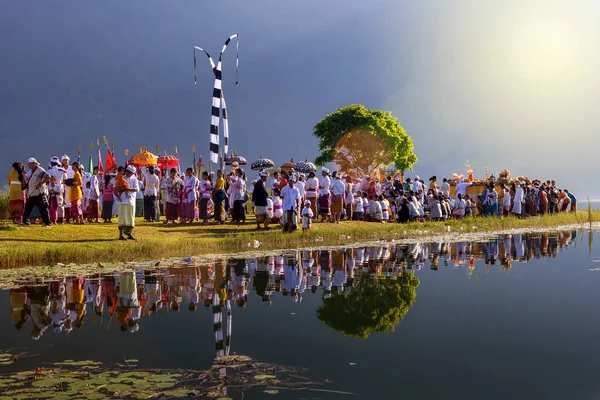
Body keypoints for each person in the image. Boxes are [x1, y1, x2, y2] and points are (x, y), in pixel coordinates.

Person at [21, 158, 52, 227]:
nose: (29, 165)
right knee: (27, 208)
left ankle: (48, 223)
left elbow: (48, 176)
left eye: (30, 163)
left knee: (43, 209)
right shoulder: (33, 171)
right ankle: (25, 222)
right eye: (28, 164)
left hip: (39, 194)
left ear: (34, 163)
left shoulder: (40, 170)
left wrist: (40, 183)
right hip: (32, 194)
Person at [117, 165, 140, 240]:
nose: (127, 173)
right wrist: (122, 189)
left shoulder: (134, 179)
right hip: (122, 200)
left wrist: (129, 189)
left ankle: (129, 233)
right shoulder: (122, 178)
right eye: (126, 171)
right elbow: (116, 187)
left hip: (130, 201)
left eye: (129, 172)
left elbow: (136, 189)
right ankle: (120, 235)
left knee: (130, 217)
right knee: (122, 218)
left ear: (133, 173)